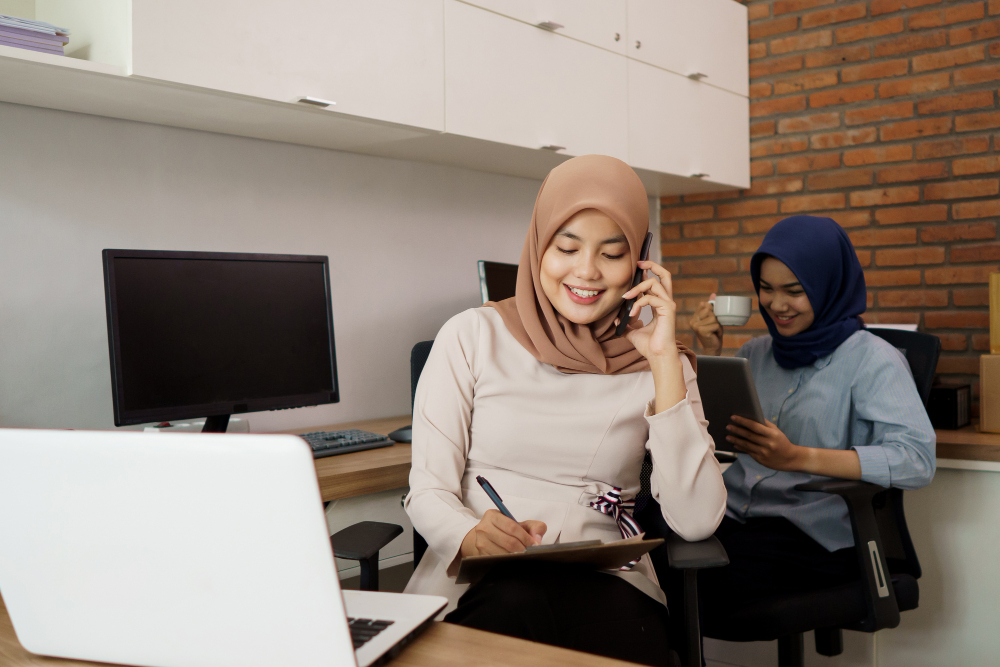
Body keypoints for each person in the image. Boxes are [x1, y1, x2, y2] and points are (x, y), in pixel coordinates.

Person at [403, 155, 726, 666]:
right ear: (538, 247)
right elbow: (428, 490)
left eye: (612, 253)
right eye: (567, 247)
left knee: (528, 612)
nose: (587, 271)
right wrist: (466, 534)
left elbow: (696, 520)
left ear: (640, 261)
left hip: (606, 587)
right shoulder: (470, 335)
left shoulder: (660, 363)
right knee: (512, 605)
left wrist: (664, 363)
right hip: (479, 579)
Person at [686, 215, 936, 629]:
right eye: (766, 289)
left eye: (795, 291)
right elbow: (708, 432)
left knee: (695, 586)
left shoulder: (874, 359)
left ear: (829, 286)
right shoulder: (756, 352)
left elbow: (916, 459)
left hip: (811, 537)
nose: (777, 305)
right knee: (647, 556)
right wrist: (705, 352)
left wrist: (797, 457)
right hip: (733, 518)